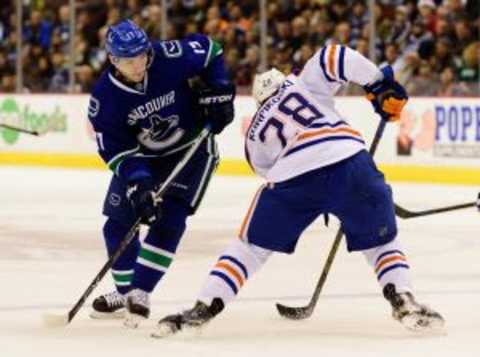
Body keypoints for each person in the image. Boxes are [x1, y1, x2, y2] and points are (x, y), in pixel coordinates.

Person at [153, 44, 445, 337]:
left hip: (292, 178)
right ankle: (403, 299)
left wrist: (317, 195)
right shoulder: (302, 84)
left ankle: (203, 308)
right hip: (352, 163)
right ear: (284, 80)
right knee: (381, 243)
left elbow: (265, 170)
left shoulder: (253, 133)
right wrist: (378, 83)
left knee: (250, 248)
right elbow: (335, 55)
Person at [86, 19, 235, 328]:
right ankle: (125, 292)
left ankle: (141, 292)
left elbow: (212, 50)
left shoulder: (167, 56)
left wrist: (219, 91)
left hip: (192, 150)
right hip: (145, 159)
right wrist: (138, 185)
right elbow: (117, 151)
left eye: (142, 55)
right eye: (129, 60)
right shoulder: (105, 99)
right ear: (112, 60)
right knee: (116, 228)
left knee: (170, 219)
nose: (139, 63)